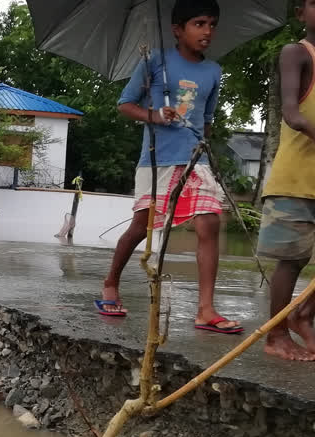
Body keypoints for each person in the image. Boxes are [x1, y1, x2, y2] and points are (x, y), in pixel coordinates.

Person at [95, 0, 243, 334]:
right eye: (199, 24)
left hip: (195, 159)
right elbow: (125, 104)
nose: (207, 31)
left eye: (211, 25)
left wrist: (205, 147)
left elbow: (207, 119)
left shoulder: (213, 71)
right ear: (177, 29)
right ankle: (110, 283)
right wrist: (154, 115)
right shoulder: (154, 61)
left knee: (209, 224)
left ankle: (206, 310)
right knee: (141, 227)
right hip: (158, 159)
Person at [256, 0, 315, 361]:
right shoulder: (296, 53)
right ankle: (276, 334)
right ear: (300, 13)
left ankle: (303, 314)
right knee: (291, 260)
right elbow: (293, 114)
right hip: (295, 179)